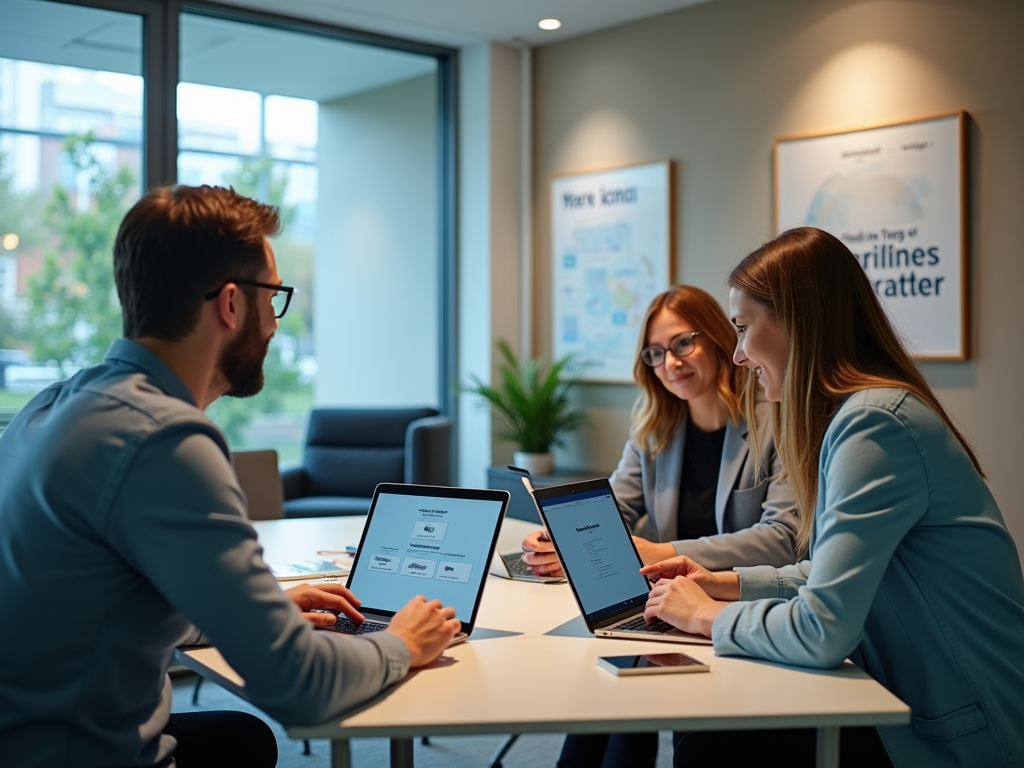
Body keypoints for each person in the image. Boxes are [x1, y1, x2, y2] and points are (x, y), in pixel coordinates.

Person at [0, 185, 462, 768]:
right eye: (273, 297)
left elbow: (95, 598)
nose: (274, 322)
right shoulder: (165, 439)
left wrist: (254, 611)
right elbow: (299, 684)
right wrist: (403, 643)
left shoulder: (50, 406)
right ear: (230, 304)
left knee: (243, 741)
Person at [641, 227, 1024, 768]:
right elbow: (825, 574)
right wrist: (718, 583)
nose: (740, 353)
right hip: (905, 692)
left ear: (798, 321)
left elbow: (822, 629)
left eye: (745, 328)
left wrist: (705, 615)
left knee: (714, 739)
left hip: (958, 730)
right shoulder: (867, 413)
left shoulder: (874, 424)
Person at [520, 285, 800, 768]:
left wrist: (661, 550)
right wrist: (559, 538)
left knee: (623, 688)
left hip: (738, 608)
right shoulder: (654, 428)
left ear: (716, 339)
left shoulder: (775, 421)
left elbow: (782, 538)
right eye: (655, 352)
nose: (670, 362)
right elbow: (614, 511)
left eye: (682, 343)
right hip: (666, 606)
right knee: (604, 691)